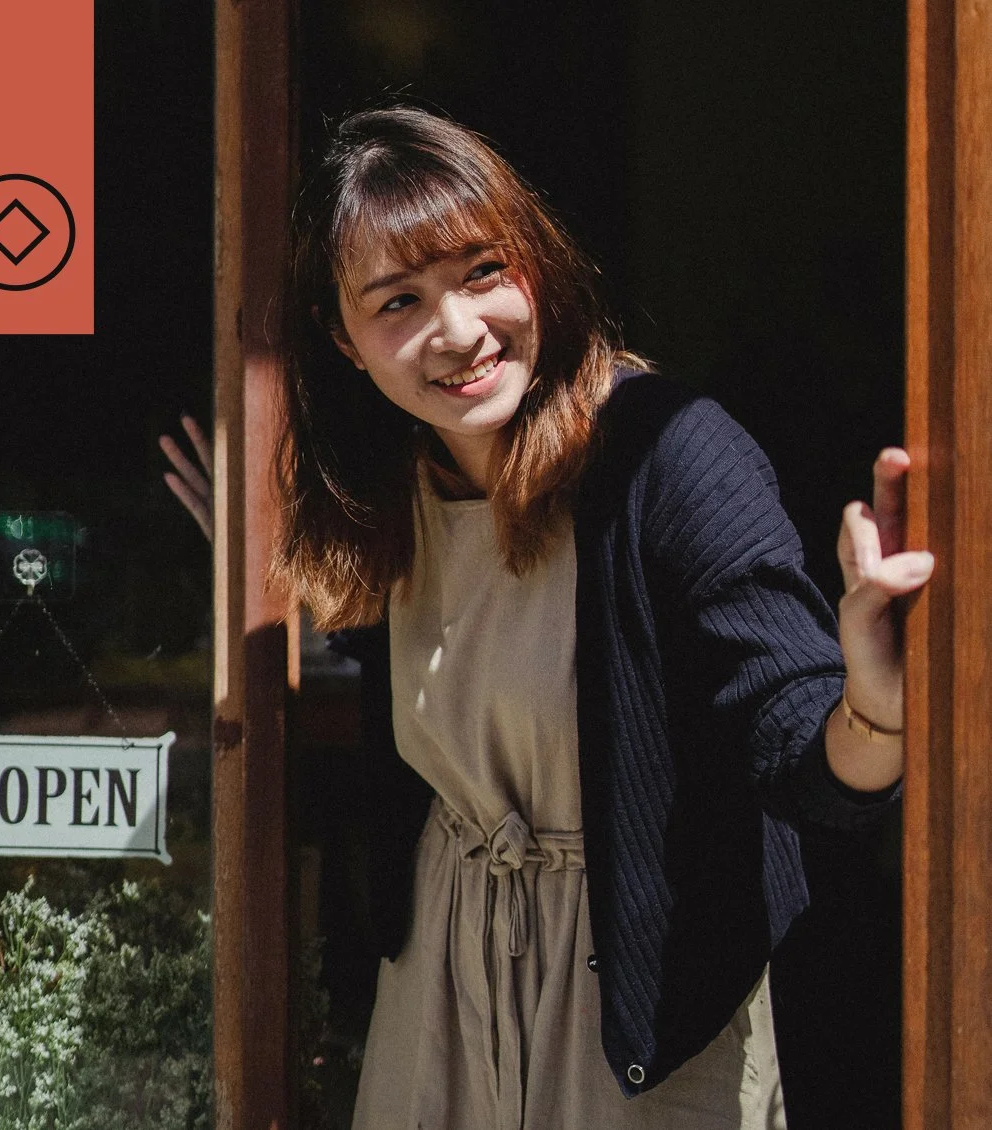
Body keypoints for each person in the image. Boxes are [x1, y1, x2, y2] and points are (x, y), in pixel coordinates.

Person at [165, 106, 933, 1129]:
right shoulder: (395, 485)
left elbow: (801, 750)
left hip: (638, 1007)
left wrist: (877, 703)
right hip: (440, 986)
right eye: (399, 300)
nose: (458, 331)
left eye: (483, 271)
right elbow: (445, 657)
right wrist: (276, 575)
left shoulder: (674, 454)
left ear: (538, 263)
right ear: (343, 341)